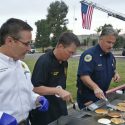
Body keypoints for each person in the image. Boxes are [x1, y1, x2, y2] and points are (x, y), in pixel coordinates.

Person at [0, 18, 49, 125]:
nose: (29, 48)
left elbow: (27, 92)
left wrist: (37, 99)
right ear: (9, 41)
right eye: (26, 44)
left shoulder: (22, 65)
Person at [29, 32, 80, 125]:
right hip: (45, 111)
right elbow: (35, 88)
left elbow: (59, 84)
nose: (71, 56)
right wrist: (58, 91)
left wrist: (62, 92)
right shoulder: (44, 61)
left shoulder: (64, 62)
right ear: (60, 46)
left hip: (60, 108)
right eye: (70, 52)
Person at [77, 27, 120, 109]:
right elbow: (84, 76)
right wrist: (95, 87)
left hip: (102, 96)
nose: (111, 46)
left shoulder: (110, 56)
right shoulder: (89, 55)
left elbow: (112, 68)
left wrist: (115, 73)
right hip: (88, 98)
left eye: (113, 43)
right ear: (100, 39)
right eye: (108, 42)